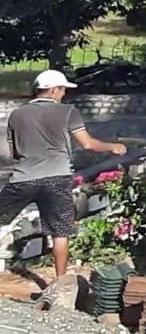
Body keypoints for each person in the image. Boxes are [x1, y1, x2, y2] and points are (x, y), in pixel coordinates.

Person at [0, 70, 126, 280]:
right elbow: (87, 143)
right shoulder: (68, 112)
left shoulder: (17, 115)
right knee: (60, 232)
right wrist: (113, 147)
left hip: (24, 177)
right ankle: (60, 283)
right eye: (62, 90)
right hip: (57, 177)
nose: (63, 94)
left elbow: (14, 154)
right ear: (53, 90)